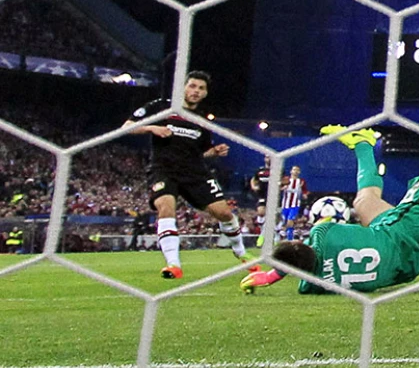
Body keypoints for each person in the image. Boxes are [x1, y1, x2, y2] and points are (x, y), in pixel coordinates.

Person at [240, 124, 419, 294]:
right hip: (406, 231)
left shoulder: (312, 286)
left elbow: (300, 262)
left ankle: (363, 145)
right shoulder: (321, 233)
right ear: (301, 244)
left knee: (364, 201)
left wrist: (272, 275)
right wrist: (277, 268)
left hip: (405, 268)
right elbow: (320, 234)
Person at [122, 70, 259, 279]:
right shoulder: (161, 106)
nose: (196, 91)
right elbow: (127, 128)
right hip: (164, 169)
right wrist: (152, 128)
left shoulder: (202, 120)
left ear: (205, 93)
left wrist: (214, 152)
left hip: (195, 172)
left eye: (201, 88)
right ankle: (173, 265)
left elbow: (202, 151)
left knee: (224, 213)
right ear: (183, 87)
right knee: (165, 206)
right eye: (192, 86)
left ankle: (241, 253)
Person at [280, 165, 308, 241]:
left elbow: (305, 191)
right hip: (285, 205)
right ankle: (287, 235)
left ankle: (289, 239)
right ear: (291, 171)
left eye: (297, 170)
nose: (295, 171)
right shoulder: (286, 180)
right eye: (294, 170)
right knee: (286, 222)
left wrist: (305, 195)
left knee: (290, 220)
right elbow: (279, 188)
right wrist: (282, 188)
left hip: (295, 205)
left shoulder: (301, 181)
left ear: (299, 172)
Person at [250, 155, 271, 247]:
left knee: (273, 218)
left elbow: (284, 180)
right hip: (262, 195)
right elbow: (253, 179)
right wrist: (253, 186)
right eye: (267, 157)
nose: (268, 159)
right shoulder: (260, 170)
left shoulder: (278, 169)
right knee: (261, 213)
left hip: (273, 195)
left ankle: (268, 238)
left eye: (270, 157)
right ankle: (262, 232)